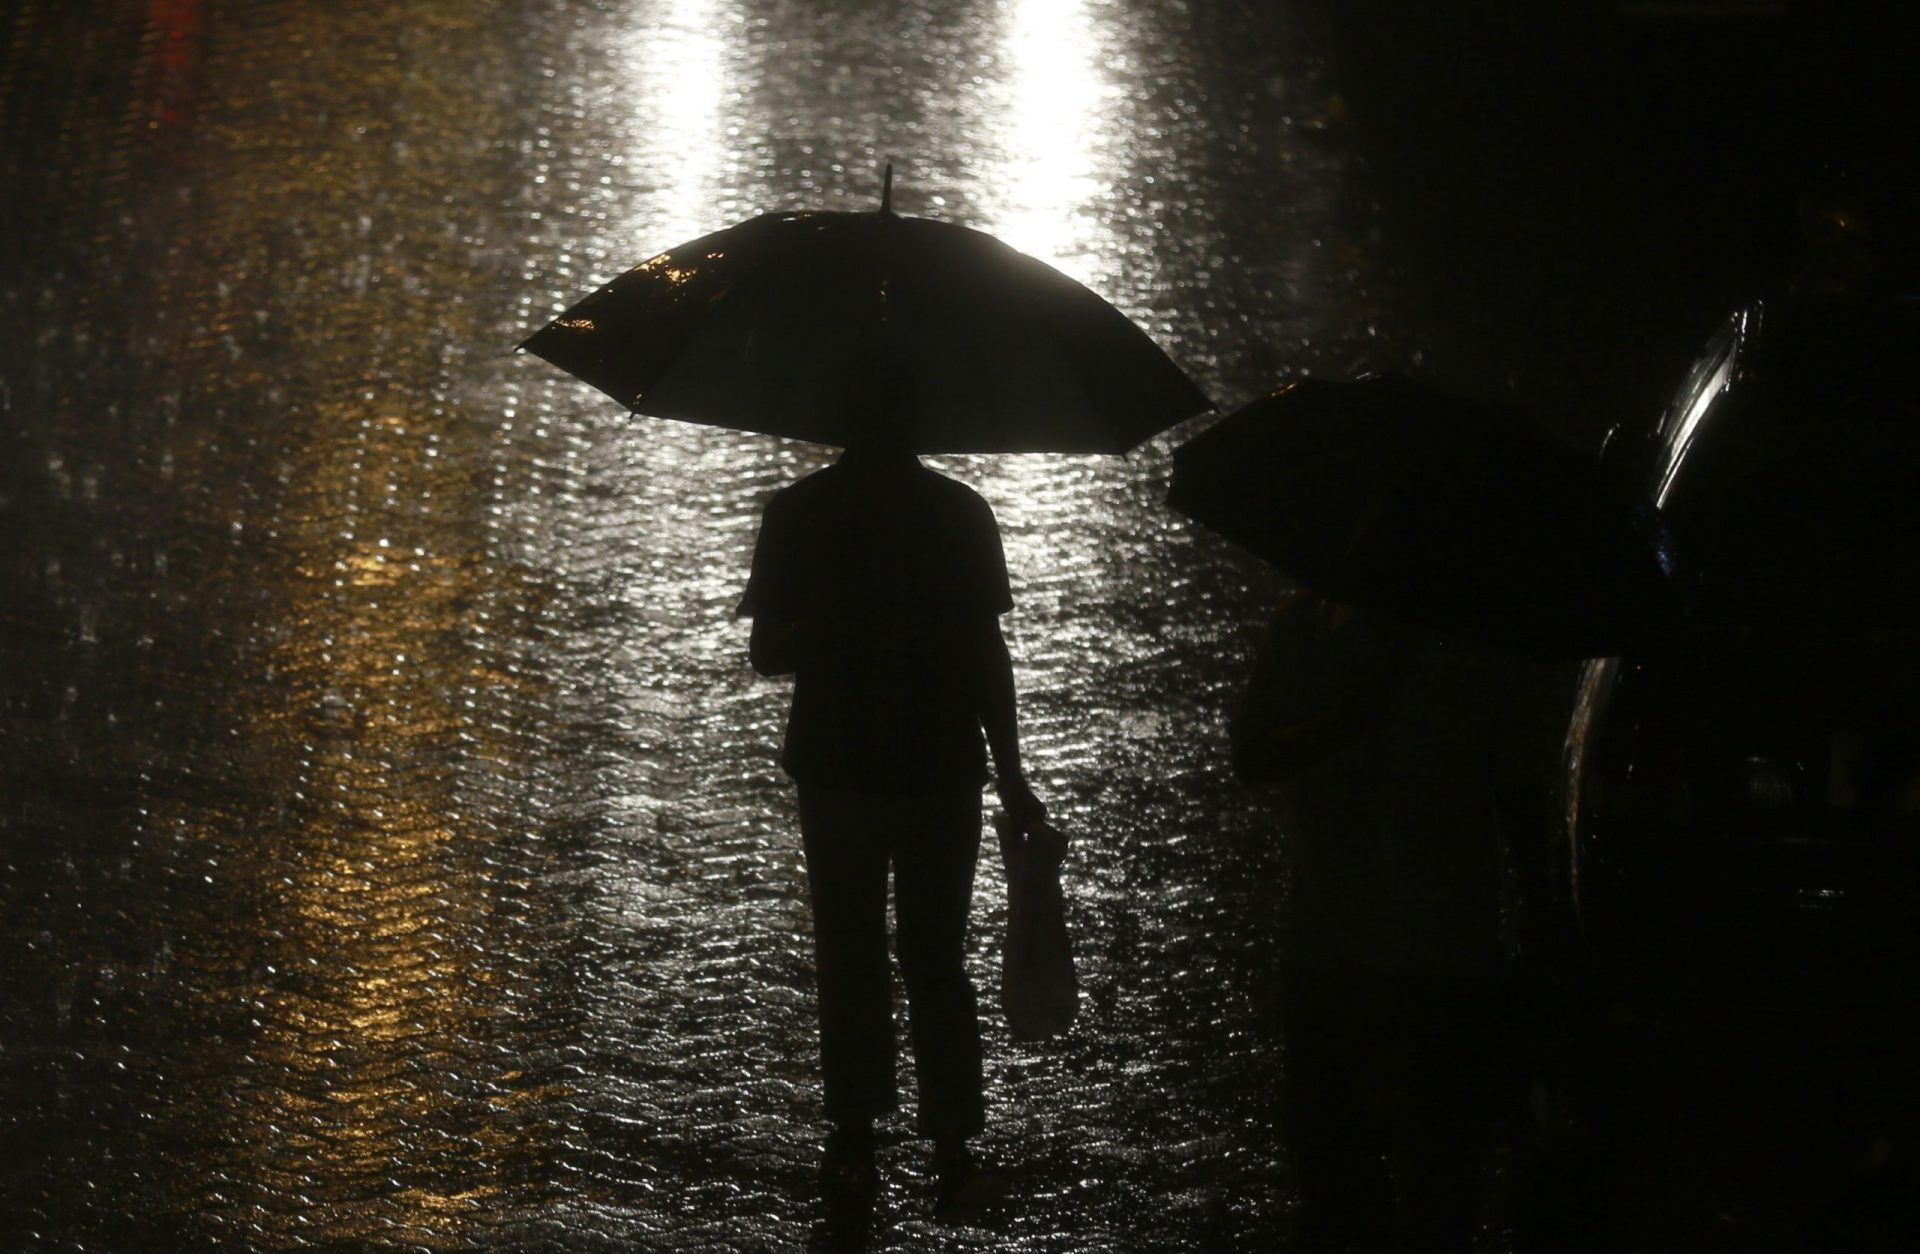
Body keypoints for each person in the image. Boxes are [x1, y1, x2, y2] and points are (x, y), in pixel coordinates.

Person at [738, 435, 1047, 1220]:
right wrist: (1010, 772)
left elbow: (767, 654)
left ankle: (854, 1140)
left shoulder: (799, 512)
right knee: (934, 959)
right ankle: (949, 1143)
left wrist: (829, 624)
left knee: (854, 955)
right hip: (939, 766)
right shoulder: (958, 512)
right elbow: (987, 653)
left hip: (839, 767)